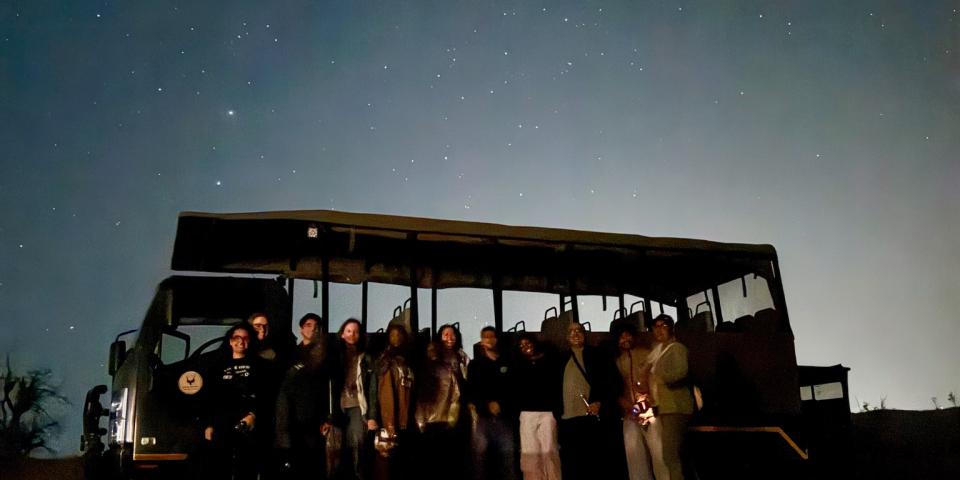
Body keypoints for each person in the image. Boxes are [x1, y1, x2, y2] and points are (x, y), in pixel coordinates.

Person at [200, 323, 266, 480]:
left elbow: (265, 394)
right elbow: (210, 397)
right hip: (221, 424)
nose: (241, 341)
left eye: (245, 338)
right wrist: (208, 424)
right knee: (219, 467)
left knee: (246, 468)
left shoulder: (259, 365)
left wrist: (253, 415)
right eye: (236, 338)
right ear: (230, 341)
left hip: (247, 424)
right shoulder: (217, 366)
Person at [558, 321, 620, 480]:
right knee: (573, 464)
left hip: (591, 418)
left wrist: (600, 402)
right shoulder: (561, 359)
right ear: (566, 337)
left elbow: (613, 382)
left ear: (584, 334)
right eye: (571, 331)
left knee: (595, 463)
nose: (575, 334)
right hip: (568, 420)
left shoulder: (597, 354)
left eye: (579, 330)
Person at [274, 331, 334, 479]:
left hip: (315, 428)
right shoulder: (296, 372)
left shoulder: (326, 372)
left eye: (324, 348)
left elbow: (327, 398)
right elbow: (283, 404)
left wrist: (327, 418)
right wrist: (284, 436)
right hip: (296, 428)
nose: (321, 352)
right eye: (318, 348)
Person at [414, 324, 470, 480]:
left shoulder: (462, 357)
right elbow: (422, 394)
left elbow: (463, 387)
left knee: (454, 460)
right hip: (434, 418)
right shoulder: (431, 360)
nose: (449, 338)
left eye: (452, 334)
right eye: (445, 334)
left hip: (456, 416)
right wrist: (421, 420)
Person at [647, 314, 694, 480]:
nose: (659, 330)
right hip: (665, 408)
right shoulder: (658, 351)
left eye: (663, 326)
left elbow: (681, 371)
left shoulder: (676, 348)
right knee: (672, 454)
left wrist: (660, 375)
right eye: (656, 327)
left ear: (671, 328)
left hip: (676, 407)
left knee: (670, 454)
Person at [467, 326, 517, 480]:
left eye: (491, 336)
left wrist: (502, 404)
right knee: (480, 461)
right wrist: (486, 404)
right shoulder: (475, 365)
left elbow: (514, 388)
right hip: (483, 419)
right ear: (481, 341)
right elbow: (472, 390)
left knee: (508, 459)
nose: (488, 339)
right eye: (485, 336)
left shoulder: (508, 362)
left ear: (496, 339)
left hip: (505, 419)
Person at [510, 333, 562, 480]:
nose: (525, 347)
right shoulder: (518, 364)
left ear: (534, 343)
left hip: (547, 412)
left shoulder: (549, 360)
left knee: (550, 453)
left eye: (527, 343)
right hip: (527, 413)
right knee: (530, 456)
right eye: (521, 346)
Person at [333, 318, 379, 480]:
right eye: (349, 331)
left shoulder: (366, 358)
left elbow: (373, 389)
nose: (352, 334)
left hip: (358, 407)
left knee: (357, 446)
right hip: (337, 407)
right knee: (335, 450)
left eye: (356, 331)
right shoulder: (334, 356)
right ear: (342, 334)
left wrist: (372, 416)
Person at [373, 323, 415, 479]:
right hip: (392, 420)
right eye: (393, 335)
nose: (396, 338)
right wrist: (389, 424)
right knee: (387, 462)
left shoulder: (407, 360)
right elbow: (386, 394)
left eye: (399, 335)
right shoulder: (386, 360)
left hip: (407, 418)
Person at [613, 322, 655, 480]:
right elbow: (616, 389)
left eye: (627, 334)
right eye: (621, 336)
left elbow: (655, 381)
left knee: (658, 455)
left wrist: (647, 404)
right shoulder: (617, 362)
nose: (625, 339)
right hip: (629, 414)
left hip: (651, 413)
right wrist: (629, 407)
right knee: (635, 458)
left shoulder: (646, 354)